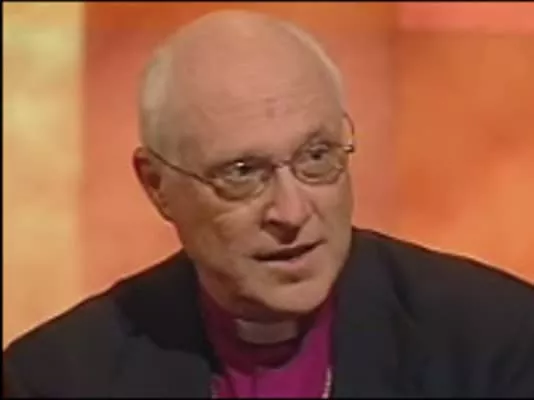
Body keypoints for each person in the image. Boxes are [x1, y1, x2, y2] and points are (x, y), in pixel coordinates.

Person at [4, 10, 534, 398]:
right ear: (157, 185)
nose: (292, 212)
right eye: (242, 173)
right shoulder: (57, 378)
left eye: (316, 156)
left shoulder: (499, 341)